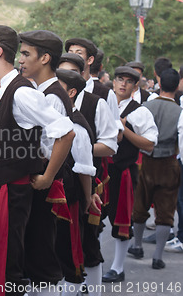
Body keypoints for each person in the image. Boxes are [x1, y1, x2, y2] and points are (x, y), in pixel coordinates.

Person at [0, 25, 74, 296]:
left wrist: (48, 176)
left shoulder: (21, 92)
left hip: (10, 190)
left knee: (8, 268)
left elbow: (65, 131)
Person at [58, 54, 119, 295]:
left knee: (86, 245)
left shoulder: (95, 104)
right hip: (60, 190)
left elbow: (109, 145)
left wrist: (87, 194)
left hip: (80, 188)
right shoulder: (51, 109)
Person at [101, 66, 157, 282]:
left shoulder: (139, 111)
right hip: (101, 169)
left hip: (123, 170)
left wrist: (126, 130)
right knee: (93, 219)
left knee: (120, 219)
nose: (122, 84)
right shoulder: (102, 105)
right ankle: (91, 263)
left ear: (135, 87)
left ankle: (118, 266)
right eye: (119, 79)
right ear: (113, 82)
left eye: (128, 81)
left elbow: (150, 144)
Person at [131, 68, 182, 268]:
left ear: (159, 83)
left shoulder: (145, 107)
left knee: (140, 204)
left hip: (146, 161)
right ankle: (158, 256)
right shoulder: (180, 112)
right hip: (169, 162)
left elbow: (132, 128)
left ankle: (136, 246)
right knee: (166, 210)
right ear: (177, 86)